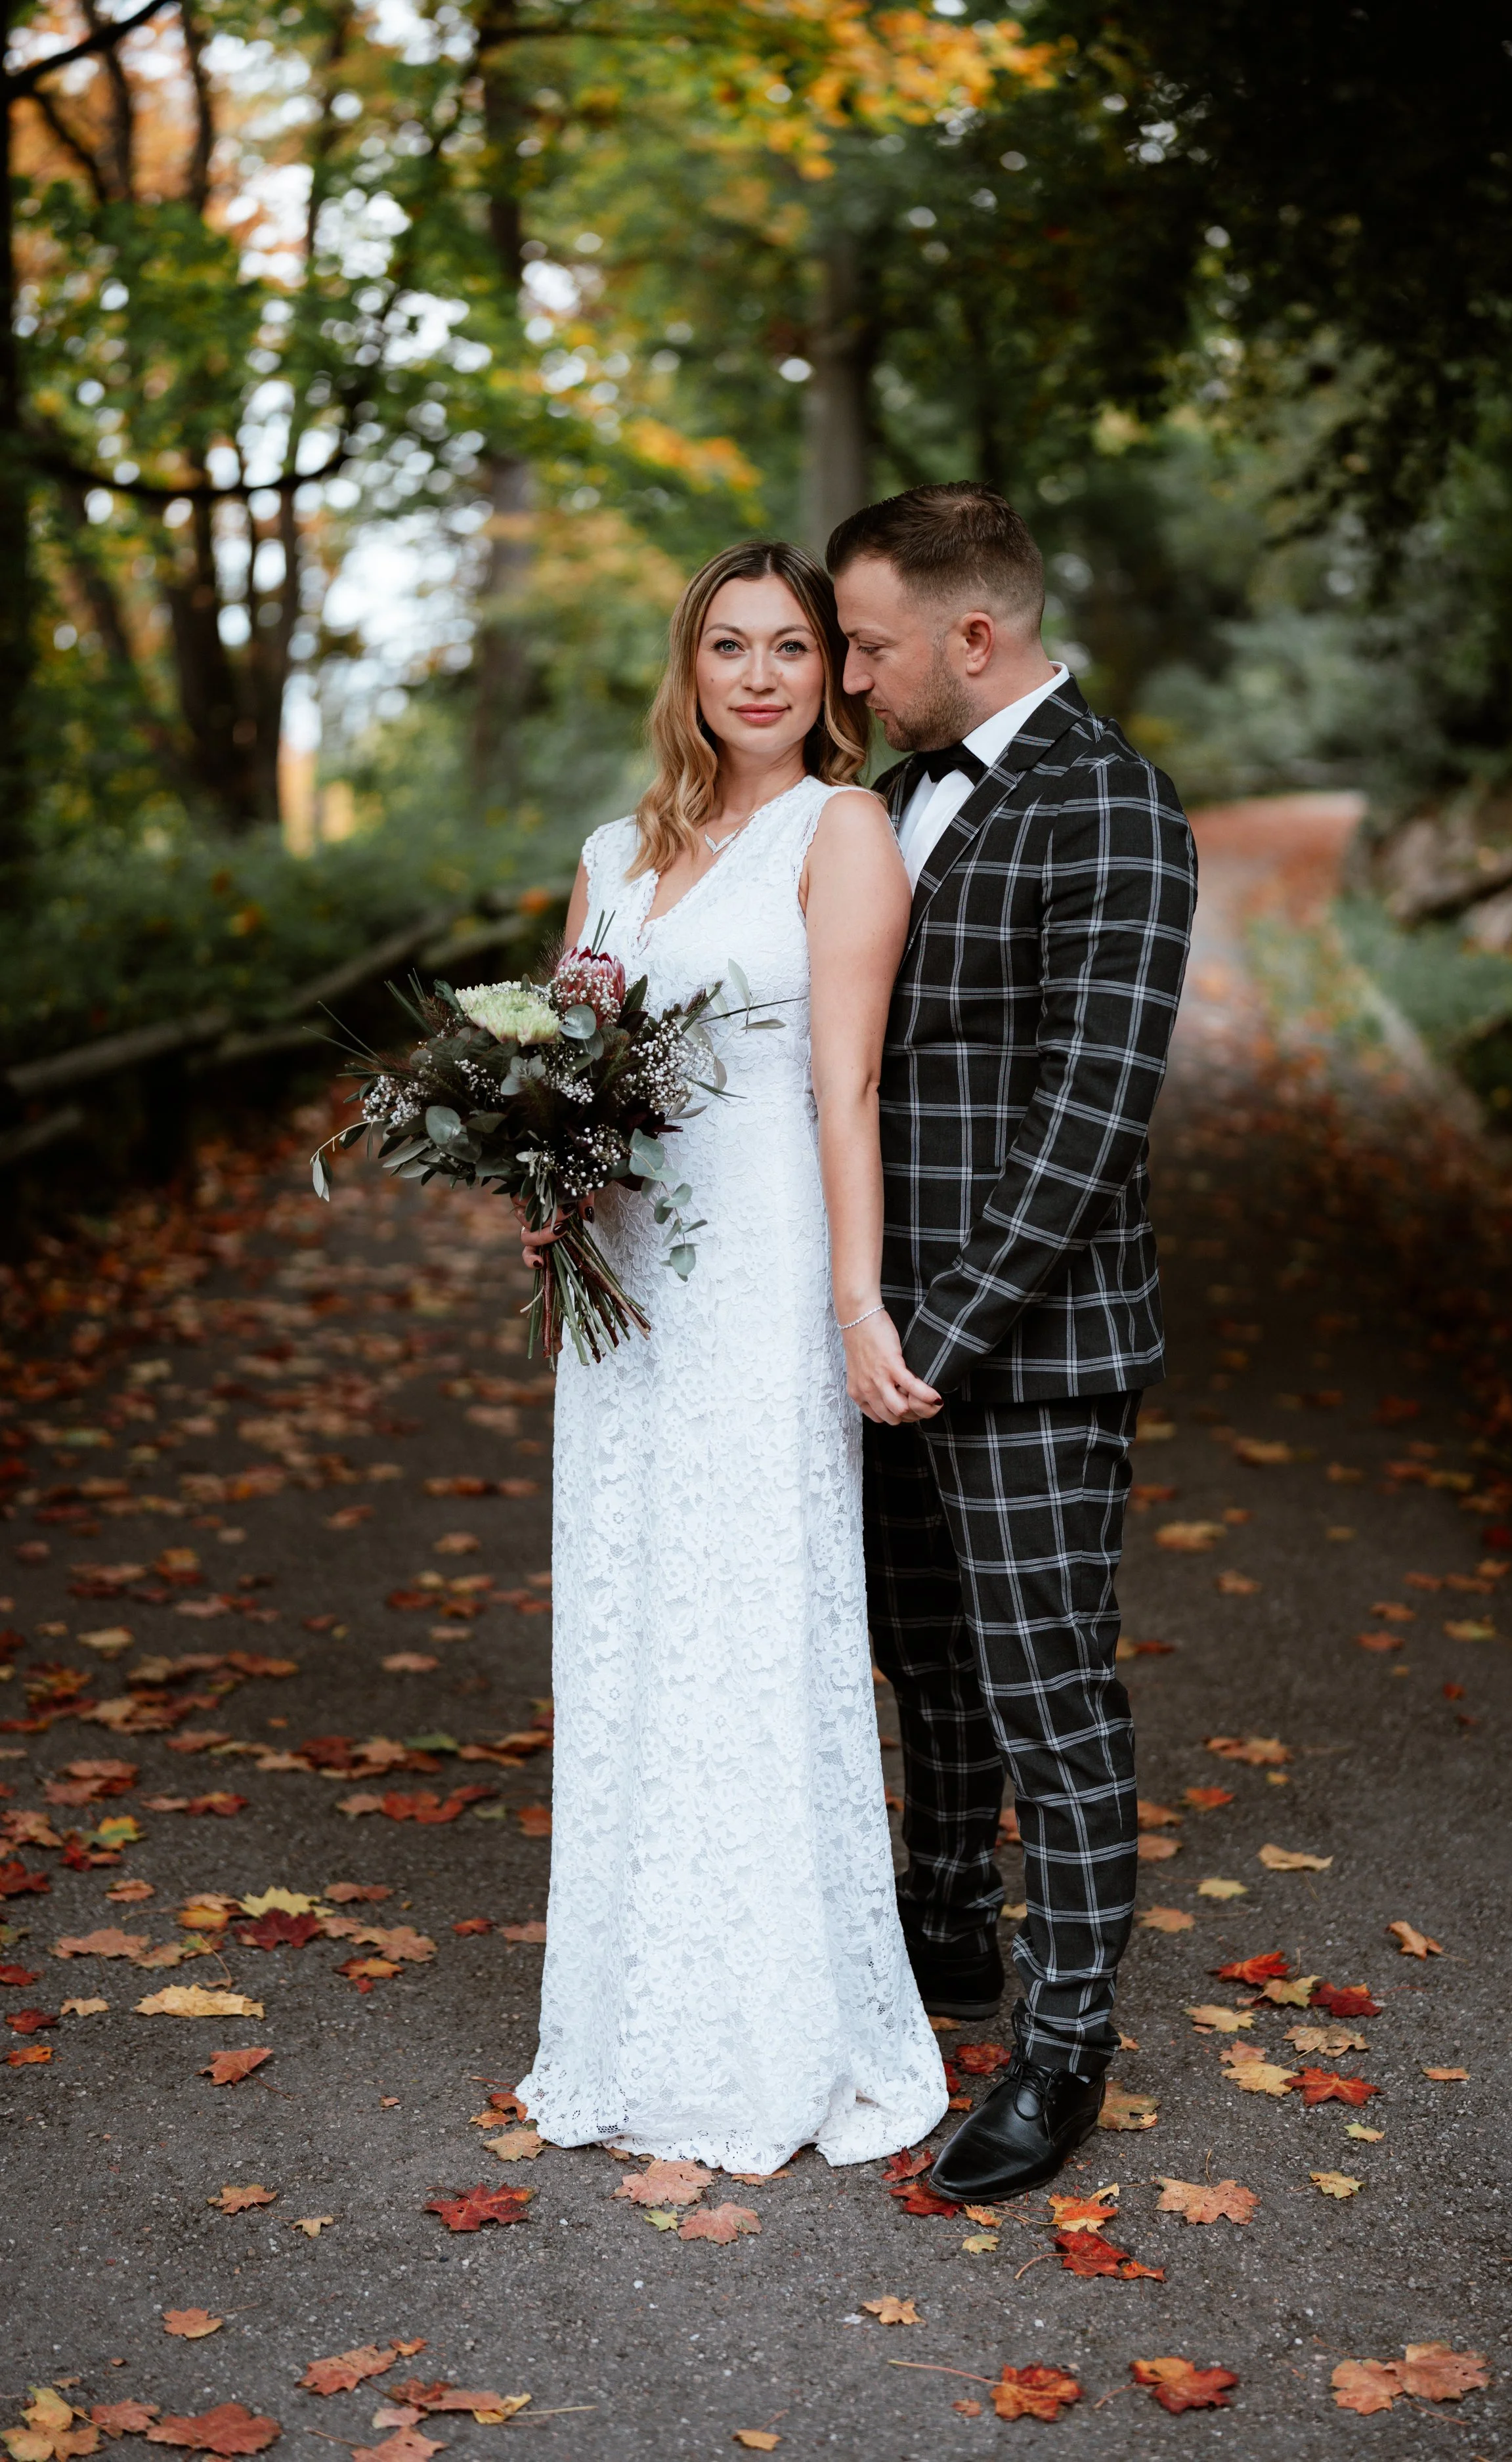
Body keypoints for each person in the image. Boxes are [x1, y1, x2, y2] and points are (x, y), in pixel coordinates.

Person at [513, 539, 947, 2174]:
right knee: (633, 1624)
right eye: (727, 648)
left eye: (790, 647)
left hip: (760, 1282)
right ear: (686, 670)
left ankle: (776, 2031)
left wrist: (856, 1304)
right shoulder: (611, 849)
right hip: (625, 1296)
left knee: (753, 1628)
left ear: (831, 672)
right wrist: (538, 1186)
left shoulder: (843, 834)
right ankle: (630, 2022)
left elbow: (844, 1091)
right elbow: (560, 1062)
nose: (759, 676)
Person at [829, 484, 1198, 2199]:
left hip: (1026, 1350)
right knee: (930, 1666)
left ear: (969, 636)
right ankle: (947, 1935)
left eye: (867, 642)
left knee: (1048, 1692)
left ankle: (1064, 2054)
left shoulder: (1112, 806)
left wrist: (946, 1328)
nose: (846, 670)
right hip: (877, 1333)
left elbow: (1086, 1117)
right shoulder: (891, 799)